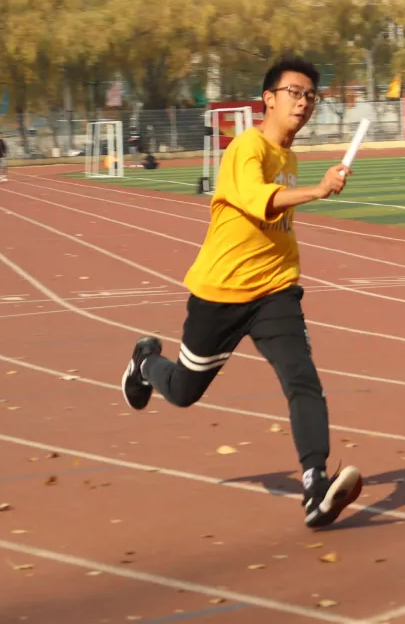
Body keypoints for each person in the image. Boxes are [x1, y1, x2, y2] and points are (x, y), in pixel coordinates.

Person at [120, 56, 363, 528]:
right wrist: (318, 190)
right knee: (184, 391)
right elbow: (259, 202)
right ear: (268, 99)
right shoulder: (246, 149)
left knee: (302, 378)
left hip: (276, 291)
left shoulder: (288, 157)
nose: (304, 102)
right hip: (221, 293)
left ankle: (315, 486)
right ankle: (146, 363)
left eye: (311, 96)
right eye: (294, 92)